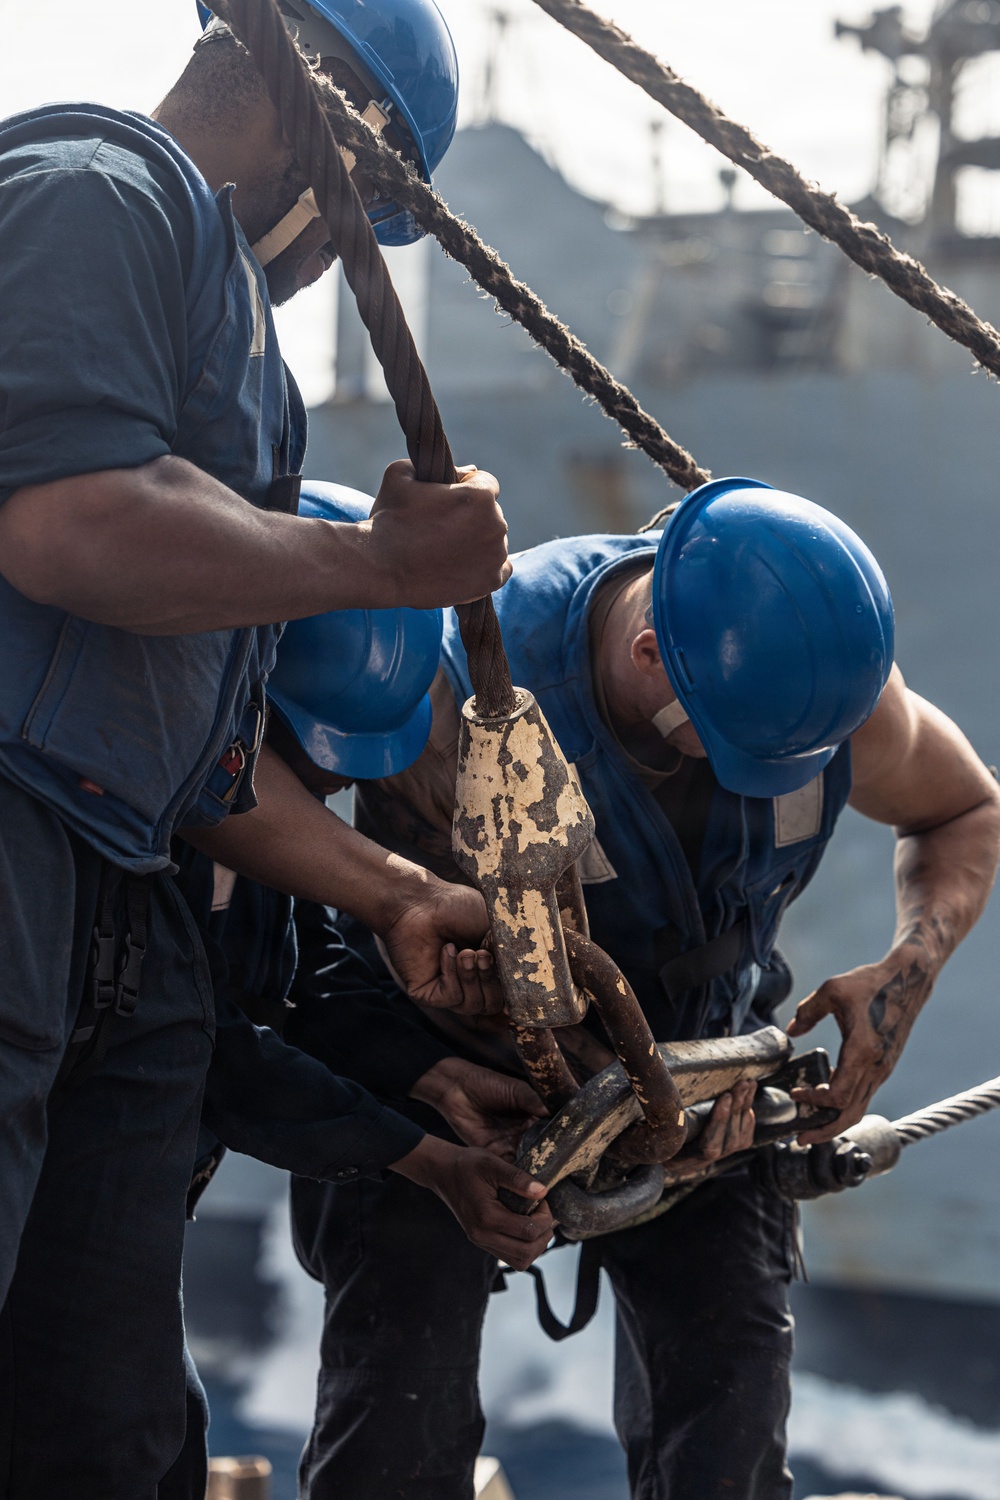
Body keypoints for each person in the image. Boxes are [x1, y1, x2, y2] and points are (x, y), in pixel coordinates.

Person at [0, 5, 514, 1496]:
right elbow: (67, 526)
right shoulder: (97, 193)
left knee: (108, 1431)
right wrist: (376, 569)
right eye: (380, 204)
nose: (340, 257)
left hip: (124, 899)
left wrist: (392, 895)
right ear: (328, 110)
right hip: (21, 848)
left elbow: (207, 760)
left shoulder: (253, 365)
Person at [283, 478, 1000, 1500]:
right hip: (441, 1096)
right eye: (735, 746)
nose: (761, 776)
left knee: (730, 1427)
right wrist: (411, 1030)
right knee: (394, 1429)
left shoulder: (827, 698)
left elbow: (963, 807)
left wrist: (906, 971)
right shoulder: (454, 696)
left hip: (705, 1094)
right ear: (649, 653)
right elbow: (260, 845)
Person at [157, 482, 553, 1500]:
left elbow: (301, 991)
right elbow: (209, 1046)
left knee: (152, 1430)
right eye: (309, 763)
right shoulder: (131, 843)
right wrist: (426, 1162)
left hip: (140, 1217)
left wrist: (431, 1076)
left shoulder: (258, 865)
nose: (331, 795)